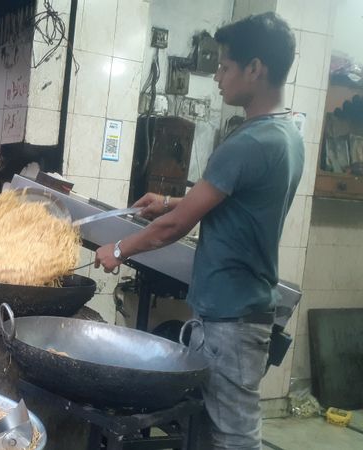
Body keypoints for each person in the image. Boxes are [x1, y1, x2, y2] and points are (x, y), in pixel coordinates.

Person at [93, 12, 302, 450]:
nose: (219, 78)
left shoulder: (246, 142)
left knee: (234, 438)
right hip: (239, 314)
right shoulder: (287, 136)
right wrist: (167, 200)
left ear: (255, 69)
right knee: (214, 432)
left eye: (225, 67)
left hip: (231, 319)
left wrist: (118, 248)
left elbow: (175, 227)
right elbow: (223, 202)